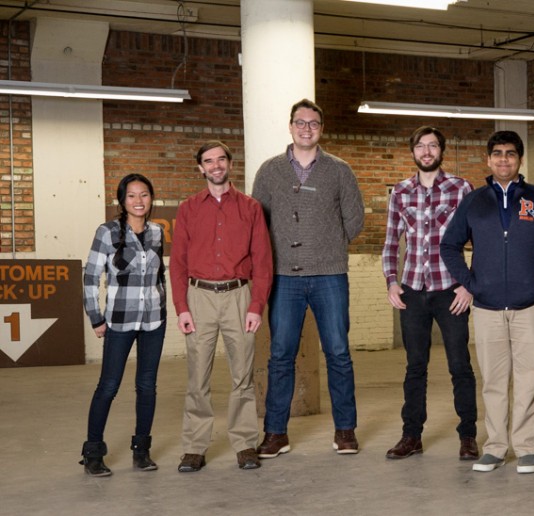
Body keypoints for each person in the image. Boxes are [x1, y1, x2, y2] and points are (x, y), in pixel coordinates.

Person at [441, 130, 534, 474]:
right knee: (494, 382)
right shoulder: (474, 201)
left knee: (530, 378)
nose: (504, 159)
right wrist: (471, 284)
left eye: (511, 154)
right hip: (486, 309)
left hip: (529, 307)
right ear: (488, 159)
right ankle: (496, 447)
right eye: (497, 153)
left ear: (520, 159)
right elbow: (449, 246)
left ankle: (527, 447)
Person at [252, 99, 365, 458]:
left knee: (338, 353)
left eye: (313, 123)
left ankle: (345, 430)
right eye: (300, 123)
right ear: (290, 127)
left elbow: (355, 219)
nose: (306, 128)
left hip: (330, 274)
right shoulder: (269, 171)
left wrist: (326, 244)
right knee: (281, 355)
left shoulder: (339, 170)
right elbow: (259, 224)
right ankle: (275, 433)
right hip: (284, 278)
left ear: (321, 129)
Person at [170, 140, 273, 472]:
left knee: (242, 374)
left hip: (238, 297)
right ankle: (194, 447)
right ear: (200, 168)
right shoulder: (188, 208)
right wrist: (182, 307)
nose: (215, 166)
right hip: (198, 297)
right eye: (208, 161)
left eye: (220, 160)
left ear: (230, 164)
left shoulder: (250, 208)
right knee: (197, 377)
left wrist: (256, 305)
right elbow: (177, 263)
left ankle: (244, 443)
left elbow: (263, 260)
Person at [382, 126, 478, 461]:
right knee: (415, 366)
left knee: (459, 364)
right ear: (413, 151)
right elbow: (391, 242)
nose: (426, 151)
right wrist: (391, 281)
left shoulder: (461, 188)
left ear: (441, 151)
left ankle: (468, 436)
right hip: (412, 292)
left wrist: (469, 285)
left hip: (450, 291)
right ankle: (412, 436)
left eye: (432, 146)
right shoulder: (401, 192)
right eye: (420, 146)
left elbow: (480, 239)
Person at [80, 173, 166, 477]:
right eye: (132, 195)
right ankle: (92, 453)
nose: (139, 201)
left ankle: (141, 450)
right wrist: (96, 317)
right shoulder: (107, 232)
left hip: (154, 320)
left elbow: (159, 277)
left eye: (144, 194)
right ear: (122, 200)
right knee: (109, 385)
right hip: (119, 321)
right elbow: (91, 276)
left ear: (151, 199)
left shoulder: (157, 233)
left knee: (147, 386)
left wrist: (165, 307)